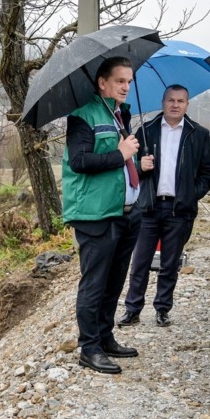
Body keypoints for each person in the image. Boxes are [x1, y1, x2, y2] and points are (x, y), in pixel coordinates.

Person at [63, 56, 142, 375]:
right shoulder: (83, 116)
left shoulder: (122, 113)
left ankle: (106, 337)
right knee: (94, 283)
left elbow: (121, 159)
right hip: (95, 214)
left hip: (124, 211)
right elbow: (79, 161)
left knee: (114, 280)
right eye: (120, 81)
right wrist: (120, 154)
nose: (126, 86)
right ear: (103, 83)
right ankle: (89, 347)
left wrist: (134, 158)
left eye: (129, 81)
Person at [117, 84, 210, 328]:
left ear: (187, 105)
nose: (175, 105)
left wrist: (192, 195)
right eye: (171, 100)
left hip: (180, 210)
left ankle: (162, 308)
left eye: (180, 101)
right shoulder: (146, 130)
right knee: (139, 262)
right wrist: (141, 166)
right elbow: (128, 167)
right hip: (148, 207)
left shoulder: (199, 134)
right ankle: (133, 309)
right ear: (163, 103)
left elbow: (208, 170)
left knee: (170, 264)